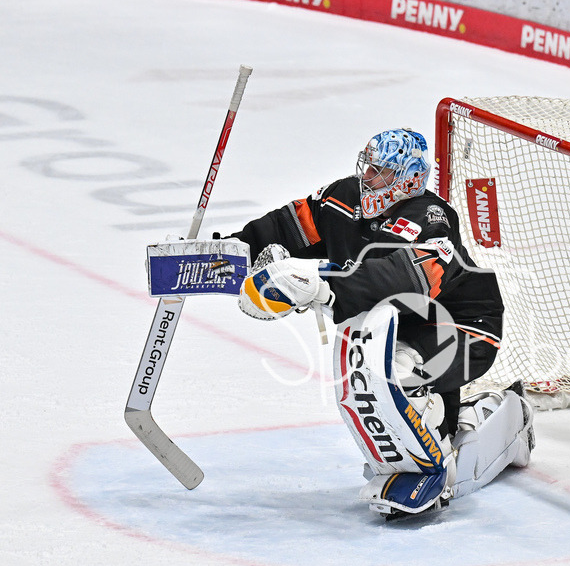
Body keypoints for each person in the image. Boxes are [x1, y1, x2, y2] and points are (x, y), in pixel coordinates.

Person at [227, 128, 534, 519]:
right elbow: (287, 228)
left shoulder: (432, 219)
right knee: (375, 382)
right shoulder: (343, 197)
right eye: (367, 166)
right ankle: (443, 438)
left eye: (381, 171)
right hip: (403, 325)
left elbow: (406, 279)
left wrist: (323, 287)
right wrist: (231, 253)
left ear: (408, 178)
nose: (367, 177)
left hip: (463, 326)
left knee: (399, 376)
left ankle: (498, 425)